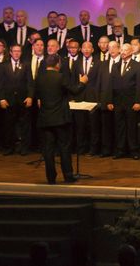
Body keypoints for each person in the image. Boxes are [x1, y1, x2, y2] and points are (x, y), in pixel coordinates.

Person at [34, 54, 87, 184]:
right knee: (64, 148)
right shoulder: (60, 77)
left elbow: (38, 95)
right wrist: (82, 82)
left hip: (45, 118)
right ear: (58, 64)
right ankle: (68, 176)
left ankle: (51, 178)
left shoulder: (39, 78)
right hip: (60, 119)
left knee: (48, 149)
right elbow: (74, 91)